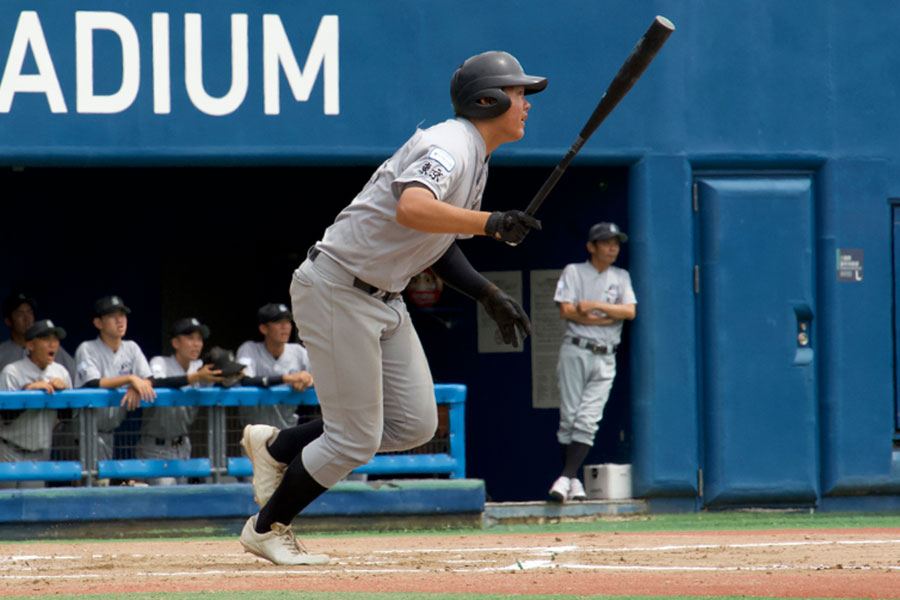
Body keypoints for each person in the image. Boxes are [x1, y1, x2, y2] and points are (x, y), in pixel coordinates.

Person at [238, 50, 545, 565]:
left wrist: (487, 294)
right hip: (339, 287)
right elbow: (413, 207)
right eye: (518, 93)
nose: (525, 104)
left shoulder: (474, 153)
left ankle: (277, 447)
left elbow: (436, 236)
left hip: (383, 295)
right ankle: (267, 528)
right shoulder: (449, 142)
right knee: (354, 440)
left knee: (414, 425)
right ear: (486, 99)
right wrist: (491, 223)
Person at [548, 222, 636, 503]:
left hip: (606, 353)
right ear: (591, 246)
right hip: (577, 349)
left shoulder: (621, 276)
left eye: (616, 242)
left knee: (588, 420)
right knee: (570, 417)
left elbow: (628, 311)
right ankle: (572, 480)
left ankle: (566, 478)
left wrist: (595, 307)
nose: (613, 247)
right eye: (607, 242)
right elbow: (567, 310)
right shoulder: (574, 271)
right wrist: (606, 317)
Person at [139, 318, 223, 485]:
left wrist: (229, 371)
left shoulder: (199, 366)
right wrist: (196, 377)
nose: (196, 344)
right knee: (165, 493)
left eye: (199, 339)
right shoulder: (160, 363)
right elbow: (158, 382)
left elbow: (225, 380)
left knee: (182, 503)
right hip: (156, 447)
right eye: (190, 338)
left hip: (183, 446)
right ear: (176, 342)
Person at [74, 296, 156, 462]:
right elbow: (93, 383)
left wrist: (136, 385)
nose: (120, 320)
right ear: (98, 323)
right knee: (87, 482)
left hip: (109, 431)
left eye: (122, 315)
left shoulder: (131, 348)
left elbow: (149, 379)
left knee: (101, 482)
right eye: (112, 316)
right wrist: (131, 379)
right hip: (83, 430)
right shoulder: (87, 348)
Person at [0, 319, 72, 489]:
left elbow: (68, 416)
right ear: (31, 346)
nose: (52, 344)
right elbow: (5, 417)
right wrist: (29, 393)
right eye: (46, 339)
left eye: (55, 339)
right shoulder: (12, 371)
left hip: (39, 452)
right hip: (9, 450)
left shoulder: (60, 372)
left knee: (33, 508)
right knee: (5, 506)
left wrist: (62, 395)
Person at [236, 303, 315, 430]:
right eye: (278, 322)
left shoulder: (298, 352)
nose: (285, 326)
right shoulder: (249, 349)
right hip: (255, 433)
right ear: (263, 328)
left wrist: (309, 381)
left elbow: (322, 379)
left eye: (288, 321)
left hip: (287, 430)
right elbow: (244, 379)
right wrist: (287, 378)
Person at [0, 293, 76, 378]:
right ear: (8, 321)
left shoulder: (51, 348)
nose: (27, 319)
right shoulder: (2, 353)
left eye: (30, 313)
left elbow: (75, 378)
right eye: (20, 314)